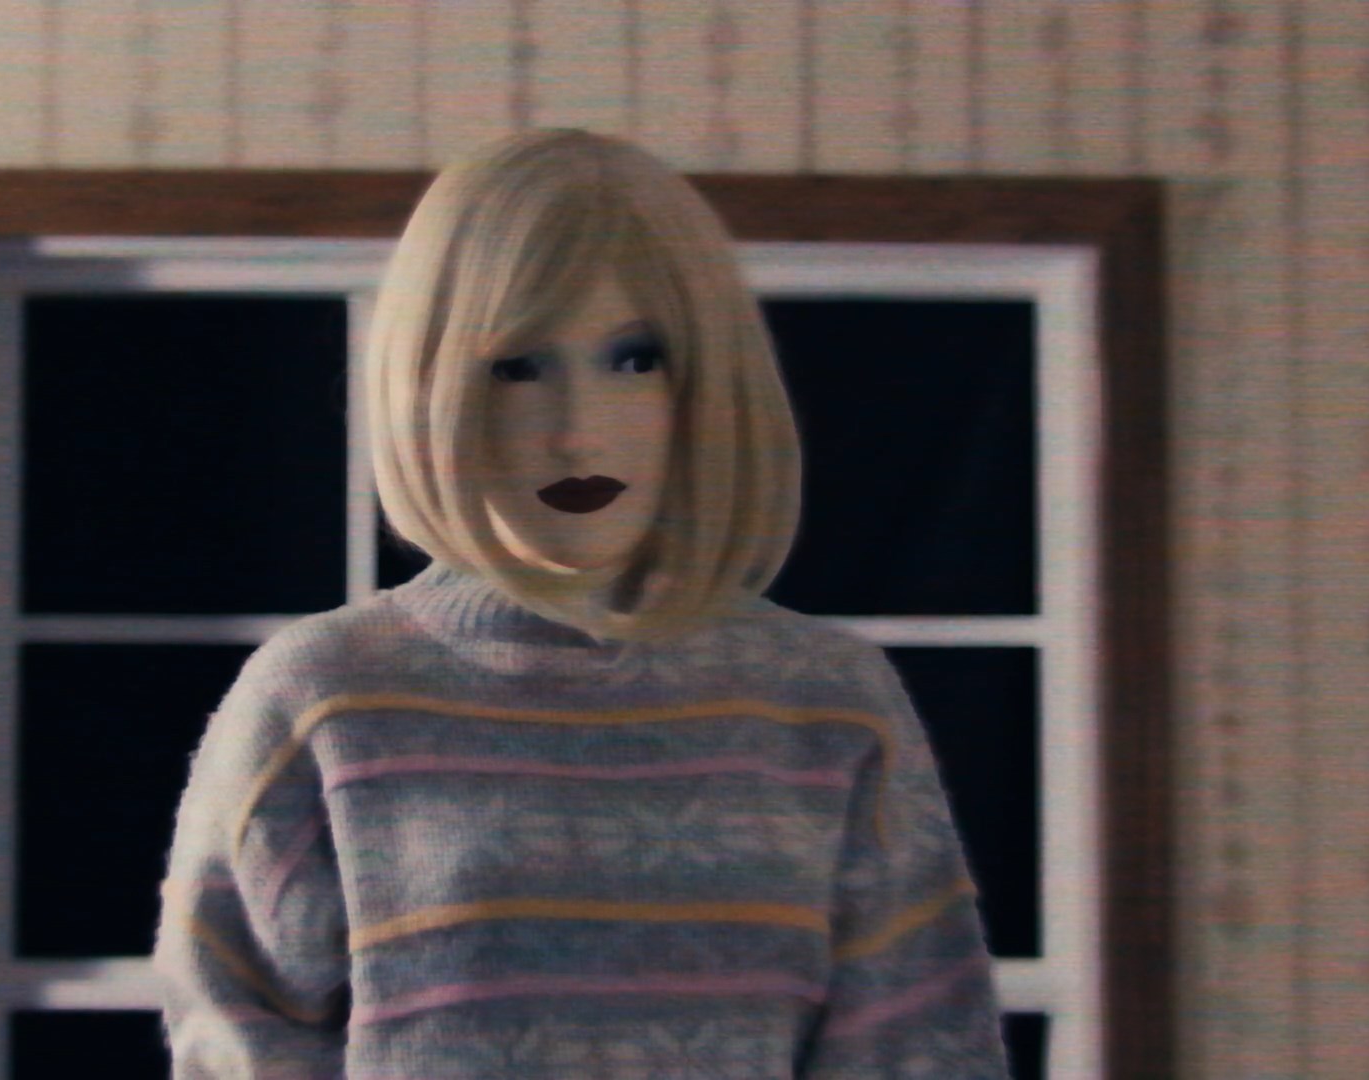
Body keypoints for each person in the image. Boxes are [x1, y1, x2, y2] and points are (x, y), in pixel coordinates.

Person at [154, 128, 1010, 1078]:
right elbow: (237, 1045)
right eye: (520, 366)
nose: (576, 430)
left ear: (708, 377)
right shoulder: (320, 696)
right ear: (432, 382)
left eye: (636, 358)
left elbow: (923, 1052)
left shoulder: (829, 701)